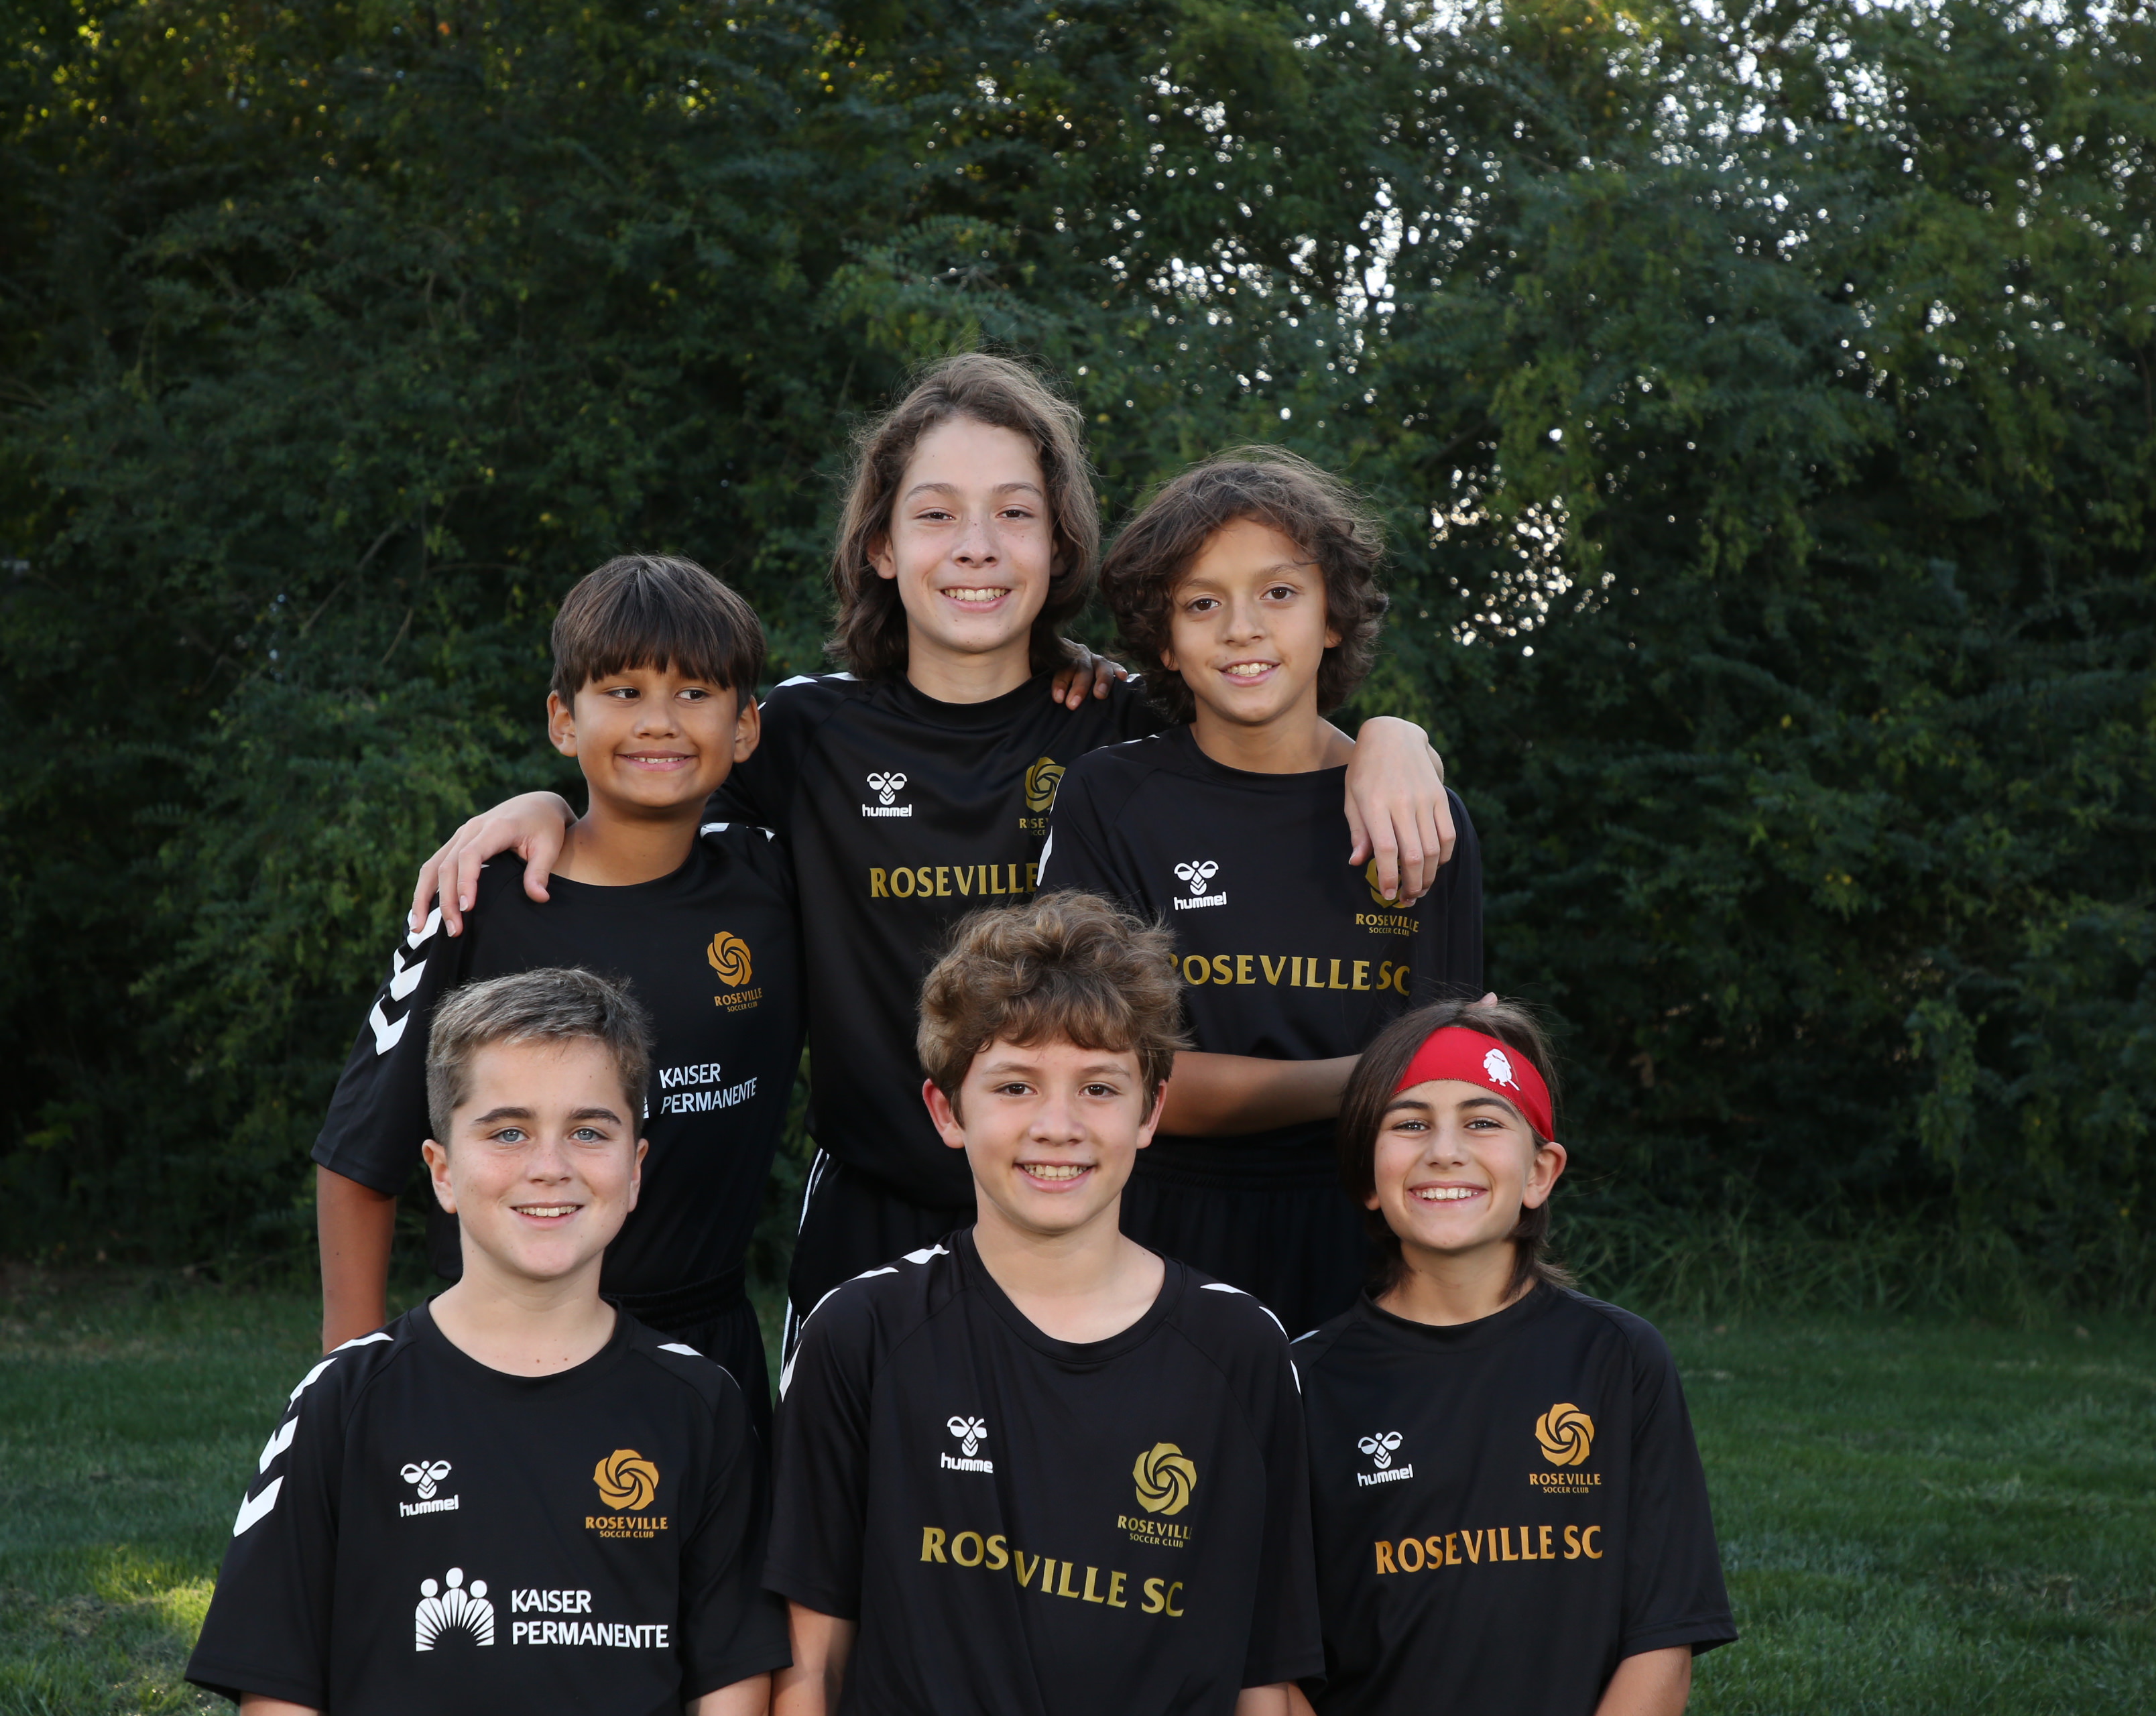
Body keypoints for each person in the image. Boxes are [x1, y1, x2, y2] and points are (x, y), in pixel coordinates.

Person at [406, 355, 1457, 1371]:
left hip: (1086, 1211)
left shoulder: (1120, 728)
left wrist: (1391, 740)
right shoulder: (805, 735)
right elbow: (649, 780)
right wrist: (541, 804)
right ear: (880, 546)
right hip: (873, 1216)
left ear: (1059, 546)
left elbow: (1272, 737)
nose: (977, 547)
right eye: (937, 514)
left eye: (1014, 513)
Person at [764, 893, 1319, 1715]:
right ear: (947, 1111)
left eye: (1098, 1087)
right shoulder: (861, 1333)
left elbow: (1263, 1674)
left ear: (1151, 1111)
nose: (1058, 1126)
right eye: (1016, 1086)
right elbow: (812, 1668)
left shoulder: (1242, 1348)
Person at [186, 968, 785, 1716]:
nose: (550, 1167)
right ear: (442, 1171)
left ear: (635, 1171)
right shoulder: (342, 1400)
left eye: (589, 1132)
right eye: (508, 1132)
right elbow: (276, 1689)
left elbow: (732, 1684)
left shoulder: (702, 1405)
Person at [312, 554, 802, 1433]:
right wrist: (348, 1380)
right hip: (503, 1348)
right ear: (563, 721)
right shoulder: (478, 899)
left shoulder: (777, 884)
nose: (659, 721)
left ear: (745, 727)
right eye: (623, 692)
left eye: (694, 693)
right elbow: (359, 1153)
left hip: (707, 1350)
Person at [1039, 448, 1484, 1335]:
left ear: (1333, 617)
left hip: (1369, 1233)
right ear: (1165, 641)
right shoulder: (1111, 799)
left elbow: (1450, 1087)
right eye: (1203, 603)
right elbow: (1106, 1079)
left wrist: (1395, 735)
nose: (1243, 628)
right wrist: (1366, 1079)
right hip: (1157, 1233)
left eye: (1279, 592)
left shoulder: (1418, 814)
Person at [1290, 1001, 1736, 1716]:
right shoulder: (1302, 1383)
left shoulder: (1619, 1361)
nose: (1444, 1151)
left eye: (1482, 1122)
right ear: (1367, 1176)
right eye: (1410, 1124)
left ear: (1540, 1172)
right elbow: (1274, 1660)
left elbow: (1663, 1639)